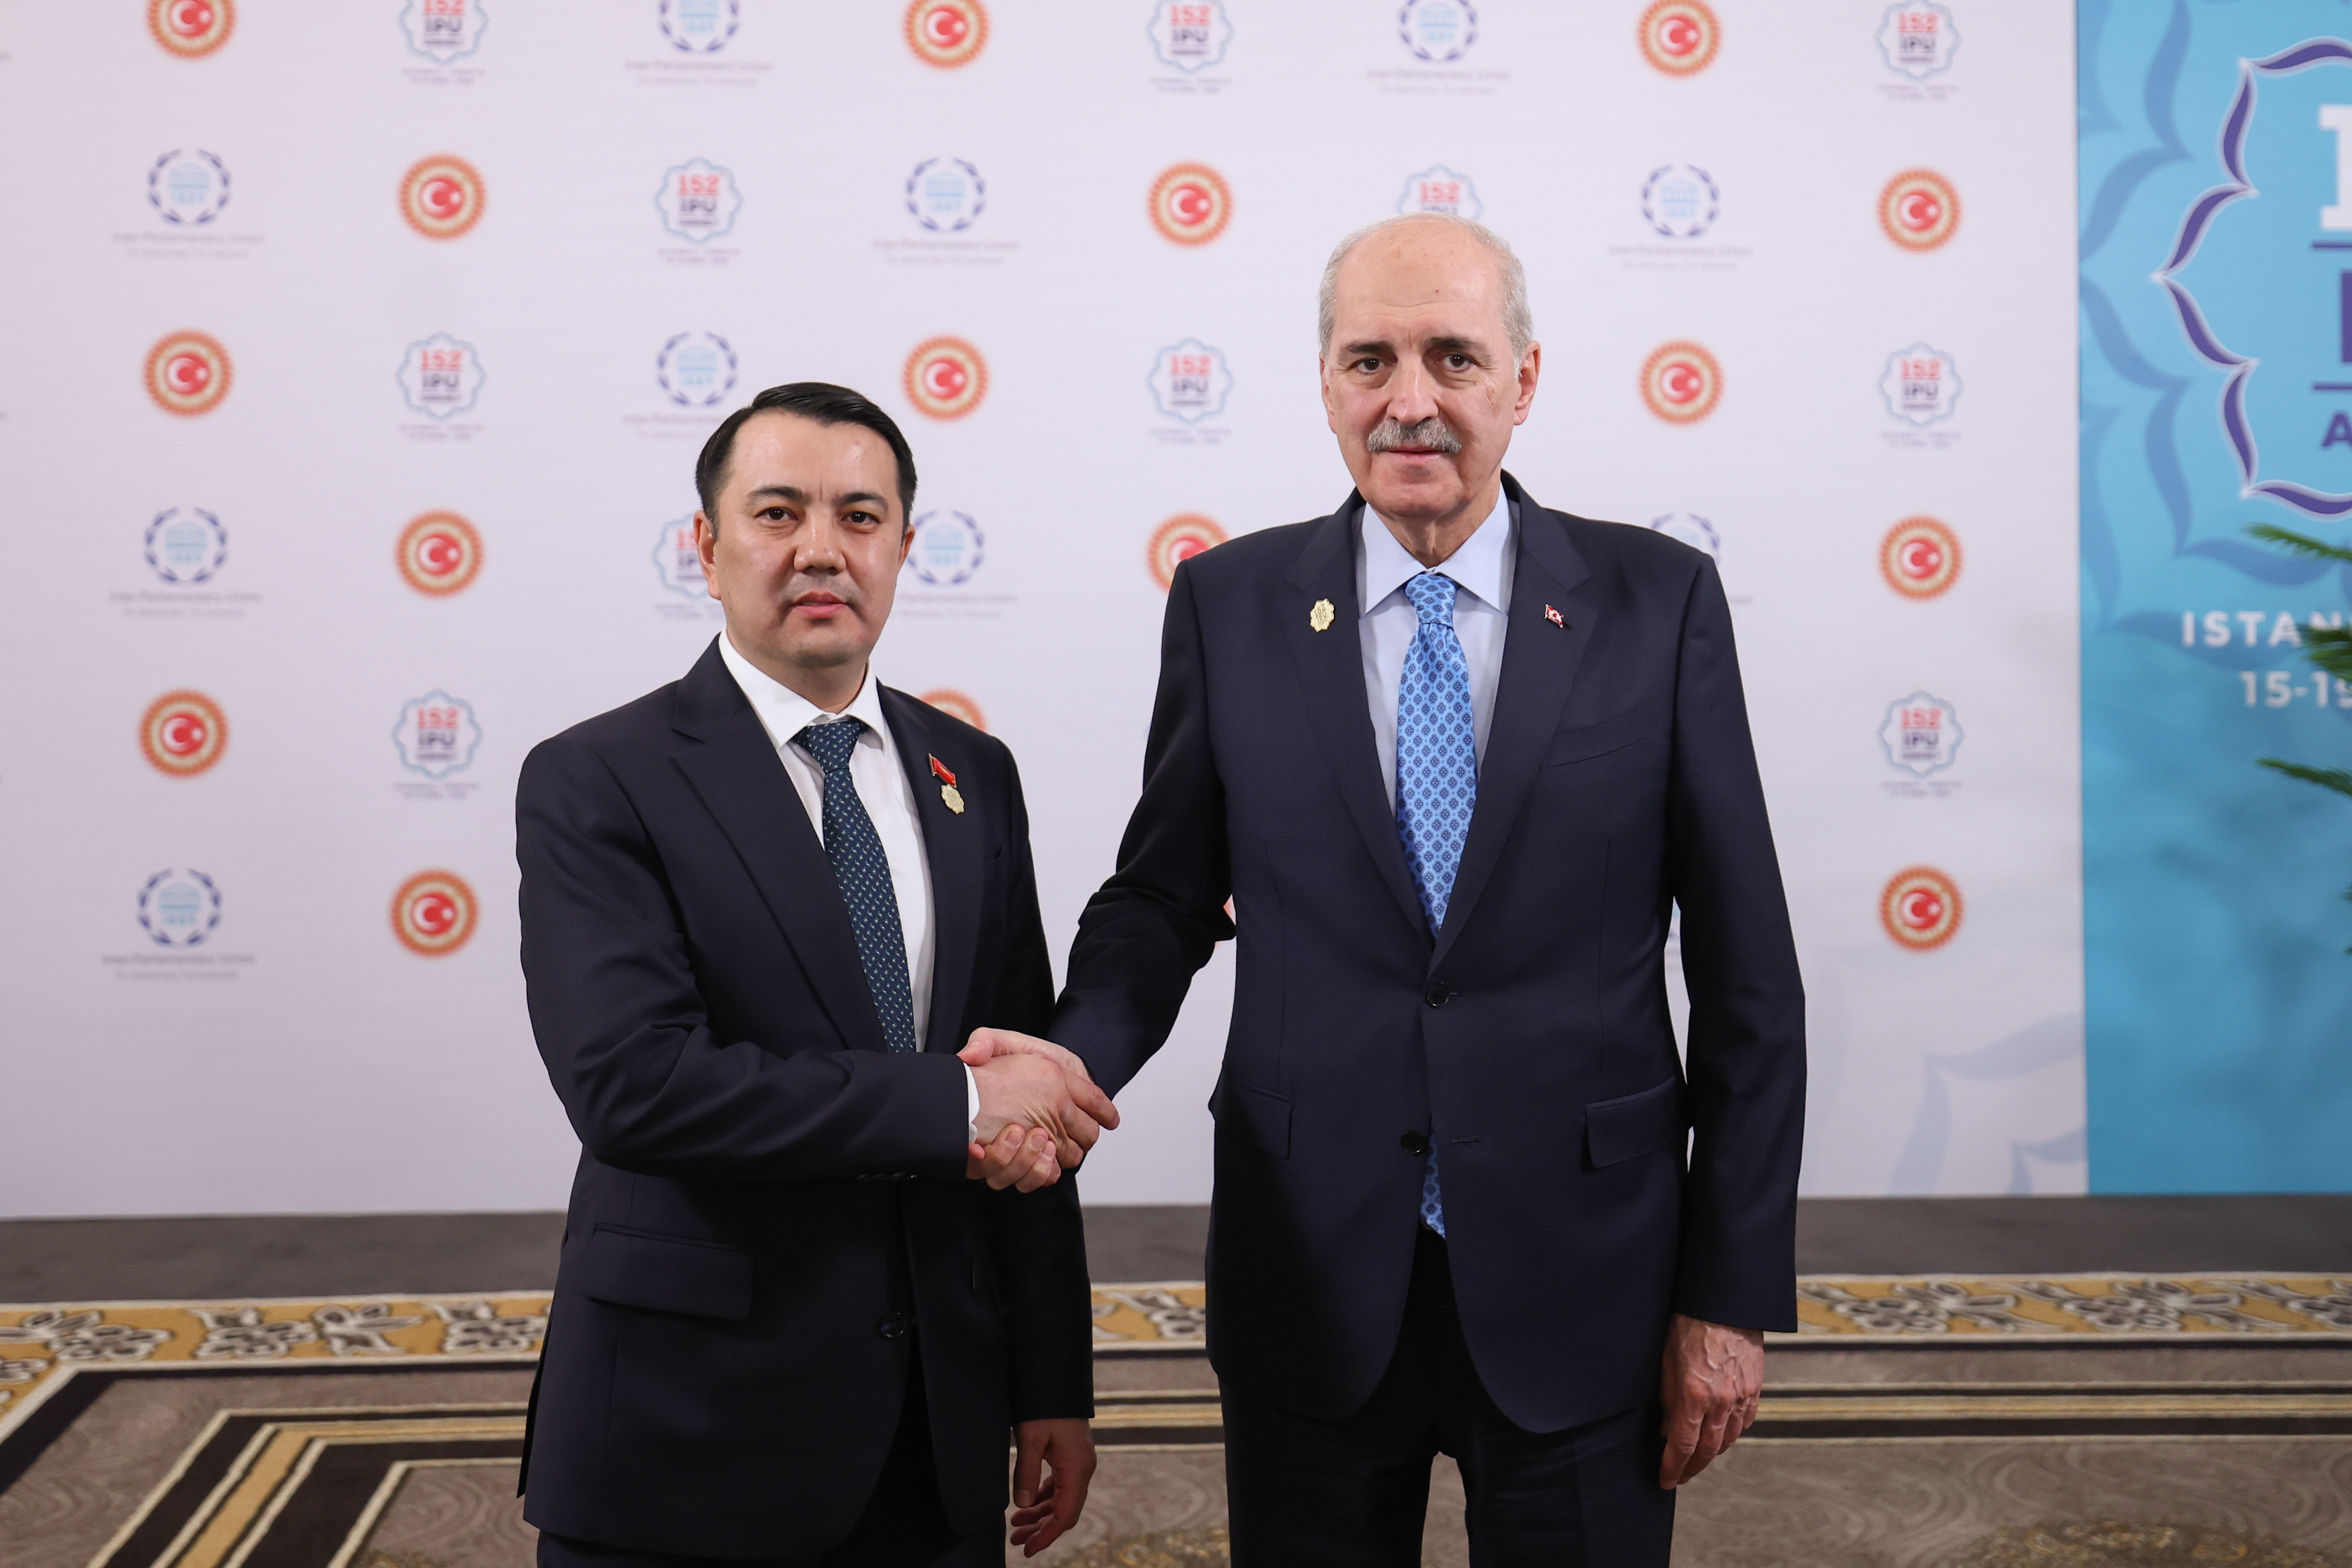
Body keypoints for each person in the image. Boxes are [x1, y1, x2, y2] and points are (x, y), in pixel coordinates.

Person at [974, 213, 1807, 1564]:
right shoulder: (1229, 603)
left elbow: (1748, 977)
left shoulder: (1658, 604)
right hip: (1309, 1273)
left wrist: (1728, 1293)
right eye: (1369, 360)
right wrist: (1069, 1067)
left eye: (1452, 358)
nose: (1408, 400)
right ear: (1324, 383)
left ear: (1524, 380)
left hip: (1586, 1278)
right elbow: (1163, 900)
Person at [515, 382, 1115, 1567]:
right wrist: (953, 1103)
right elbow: (635, 1086)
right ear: (707, 546)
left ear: (903, 546)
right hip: (688, 1427)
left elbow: (1022, 1082)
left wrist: (1052, 1378)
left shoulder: (973, 773)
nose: (821, 550)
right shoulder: (599, 777)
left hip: (933, 1428)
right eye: (778, 513)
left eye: (859, 516)